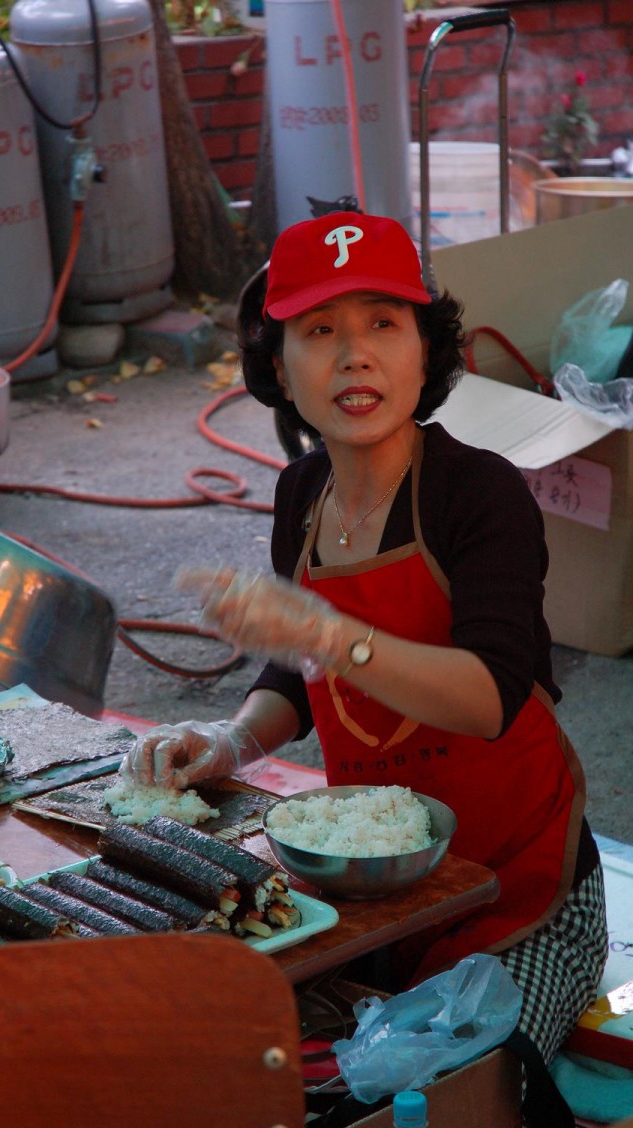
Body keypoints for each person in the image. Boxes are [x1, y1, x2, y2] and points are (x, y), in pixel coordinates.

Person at [121, 211, 608, 1067]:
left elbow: (491, 697)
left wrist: (329, 632)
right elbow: (300, 669)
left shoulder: (480, 493)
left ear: (427, 352)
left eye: (384, 323)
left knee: (462, 1079)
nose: (355, 356)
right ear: (281, 367)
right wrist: (232, 741)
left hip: (518, 888)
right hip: (369, 889)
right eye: (319, 331)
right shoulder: (301, 494)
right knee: (243, 1049)